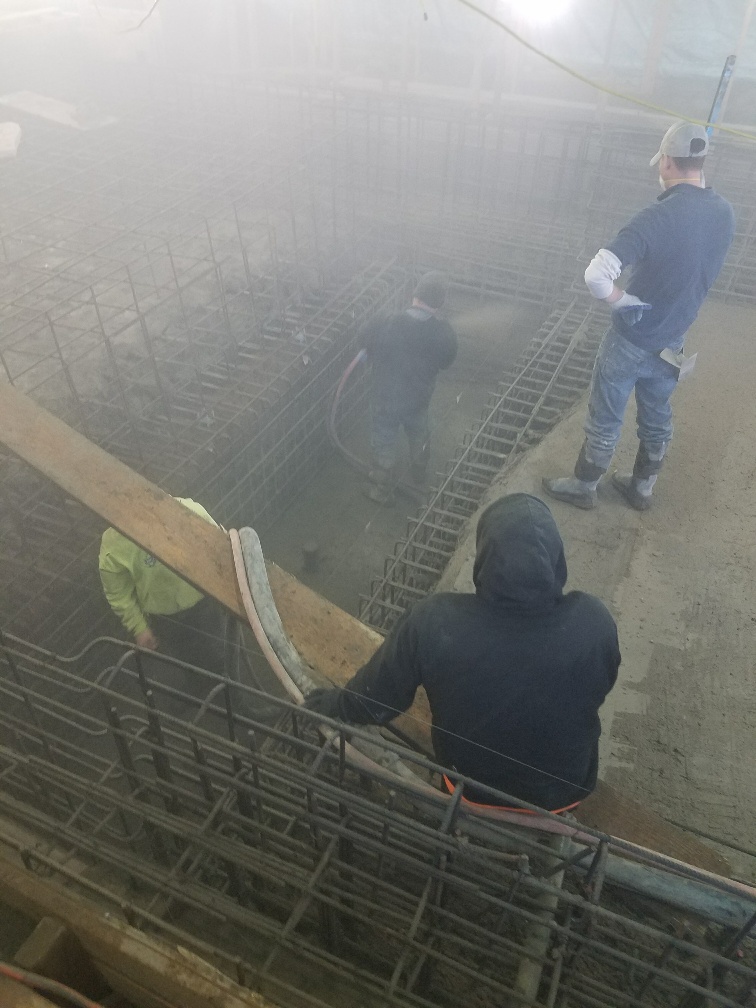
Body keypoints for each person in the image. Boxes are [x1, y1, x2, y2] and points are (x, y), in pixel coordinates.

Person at [305, 493, 620, 811]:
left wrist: (337, 704)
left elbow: (378, 699)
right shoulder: (594, 622)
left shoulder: (435, 621)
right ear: (556, 557)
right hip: (562, 795)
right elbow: (601, 684)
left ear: (485, 555)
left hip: (468, 791)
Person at [543, 120, 735, 512]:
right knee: (657, 413)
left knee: (606, 415)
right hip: (673, 341)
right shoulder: (724, 214)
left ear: (667, 161)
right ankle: (642, 487)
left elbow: (597, 275)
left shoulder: (656, 217)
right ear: (701, 162)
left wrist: (622, 301)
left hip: (631, 339)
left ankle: (585, 485)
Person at [99, 497, 226, 675]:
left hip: (204, 602)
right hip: (166, 617)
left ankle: (227, 691)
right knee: (189, 662)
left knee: (220, 655)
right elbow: (118, 594)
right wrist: (139, 628)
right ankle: (209, 688)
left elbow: (220, 545)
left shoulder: (185, 511)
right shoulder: (114, 545)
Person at [361, 272, 458, 505]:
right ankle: (419, 473)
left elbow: (363, 340)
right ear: (440, 302)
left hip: (385, 399)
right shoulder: (443, 332)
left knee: (384, 440)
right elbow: (446, 362)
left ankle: (382, 490)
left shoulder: (384, 321)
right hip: (418, 401)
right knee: (419, 434)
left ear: (414, 294)